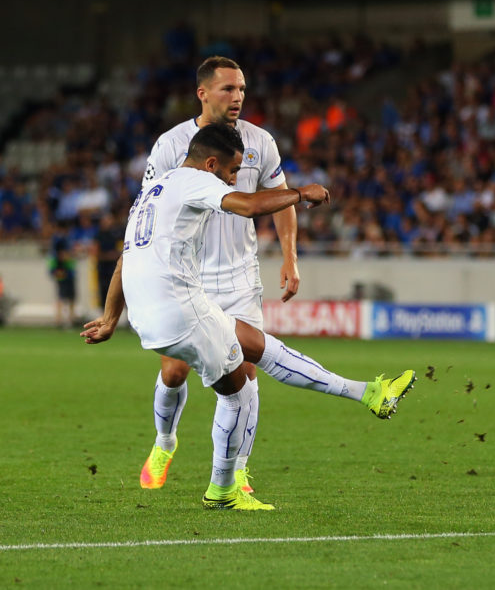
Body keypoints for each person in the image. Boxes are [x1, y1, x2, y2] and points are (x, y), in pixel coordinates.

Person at [82, 123, 416, 510]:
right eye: (231, 171)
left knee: (258, 347)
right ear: (211, 164)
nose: (233, 179)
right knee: (240, 394)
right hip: (180, 310)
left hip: (148, 314)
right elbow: (250, 206)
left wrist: (110, 318)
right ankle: (222, 490)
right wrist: (300, 194)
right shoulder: (195, 180)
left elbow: (124, 258)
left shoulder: (154, 190)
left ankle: (369, 393)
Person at [136, 56, 304, 495]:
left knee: (245, 375)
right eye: (228, 88)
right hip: (187, 279)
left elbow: (281, 199)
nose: (238, 97)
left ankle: (236, 472)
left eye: (242, 89)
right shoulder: (171, 145)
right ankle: (165, 442)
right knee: (174, 372)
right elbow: (147, 207)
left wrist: (290, 257)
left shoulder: (259, 141)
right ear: (203, 93)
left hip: (240, 278)